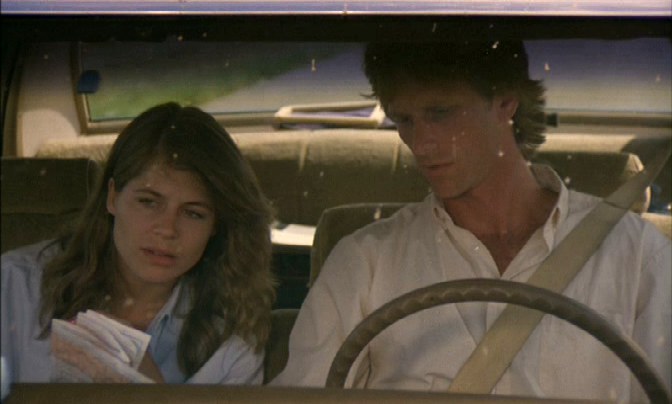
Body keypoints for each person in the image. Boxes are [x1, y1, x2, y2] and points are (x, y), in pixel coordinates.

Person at [271, 41, 671, 401]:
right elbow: (304, 396)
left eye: (440, 114)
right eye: (404, 120)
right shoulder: (364, 261)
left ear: (506, 102)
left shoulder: (637, 256)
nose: (420, 143)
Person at [1, 102, 276, 384]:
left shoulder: (230, 342)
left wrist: (150, 392)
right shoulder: (14, 288)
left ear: (215, 224)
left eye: (193, 213)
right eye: (148, 202)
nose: (167, 230)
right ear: (112, 197)